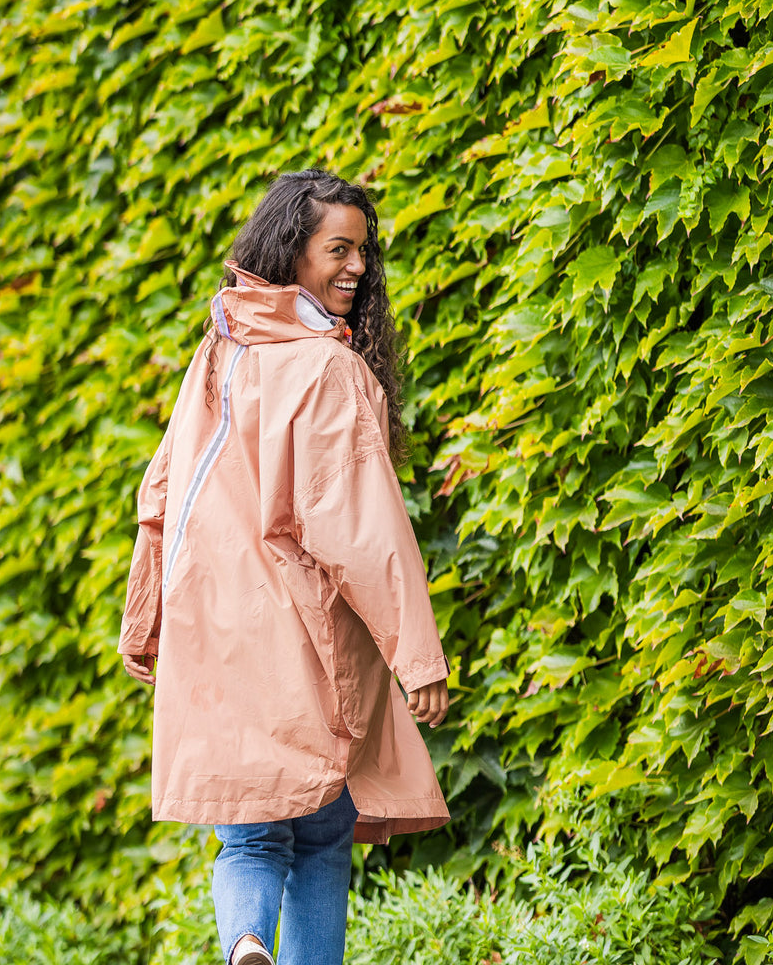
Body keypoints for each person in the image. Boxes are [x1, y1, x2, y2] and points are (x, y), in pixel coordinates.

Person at [118, 169, 451, 965]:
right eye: (339, 249)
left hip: (211, 631)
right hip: (300, 638)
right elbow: (361, 528)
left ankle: (244, 945)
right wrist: (418, 658)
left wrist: (145, 617)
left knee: (249, 832)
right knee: (323, 828)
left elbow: (162, 491)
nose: (357, 267)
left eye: (363, 251)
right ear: (292, 252)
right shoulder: (329, 371)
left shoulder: (220, 351)